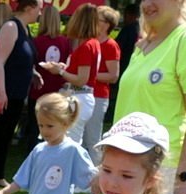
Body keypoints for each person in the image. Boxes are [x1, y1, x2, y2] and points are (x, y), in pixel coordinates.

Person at [114, 0, 186, 194]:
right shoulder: (143, 45)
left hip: (157, 170)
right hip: (121, 163)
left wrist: (183, 176)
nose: (146, 4)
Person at [0, 0, 39, 190]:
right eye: (39, 8)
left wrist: (34, 74)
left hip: (17, 93)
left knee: (6, 136)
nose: (40, 12)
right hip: (4, 92)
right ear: (29, 8)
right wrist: (2, 92)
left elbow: (22, 59)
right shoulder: (10, 27)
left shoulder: (25, 29)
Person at [44, 2, 98, 156]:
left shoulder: (87, 46)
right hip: (81, 96)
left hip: (79, 96)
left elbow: (81, 79)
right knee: (70, 143)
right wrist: (64, 68)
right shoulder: (91, 44)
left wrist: (60, 71)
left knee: (70, 145)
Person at [24, 3, 69, 147]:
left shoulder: (36, 42)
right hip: (56, 91)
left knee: (34, 124)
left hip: (37, 90)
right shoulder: (65, 42)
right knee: (54, 125)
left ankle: (32, 152)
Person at [89, 5, 121, 165]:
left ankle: (96, 174)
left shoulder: (110, 45)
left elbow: (113, 75)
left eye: (98, 19)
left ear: (107, 24)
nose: (93, 22)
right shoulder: (90, 41)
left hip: (98, 96)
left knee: (93, 137)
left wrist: (88, 76)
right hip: (85, 93)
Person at [107, 2, 140, 123]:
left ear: (130, 15)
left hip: (123, 64)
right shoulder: (141, 29)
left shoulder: (129, 29)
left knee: (115, 94)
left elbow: (118, 46)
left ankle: (110, 115)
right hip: (133, 65)